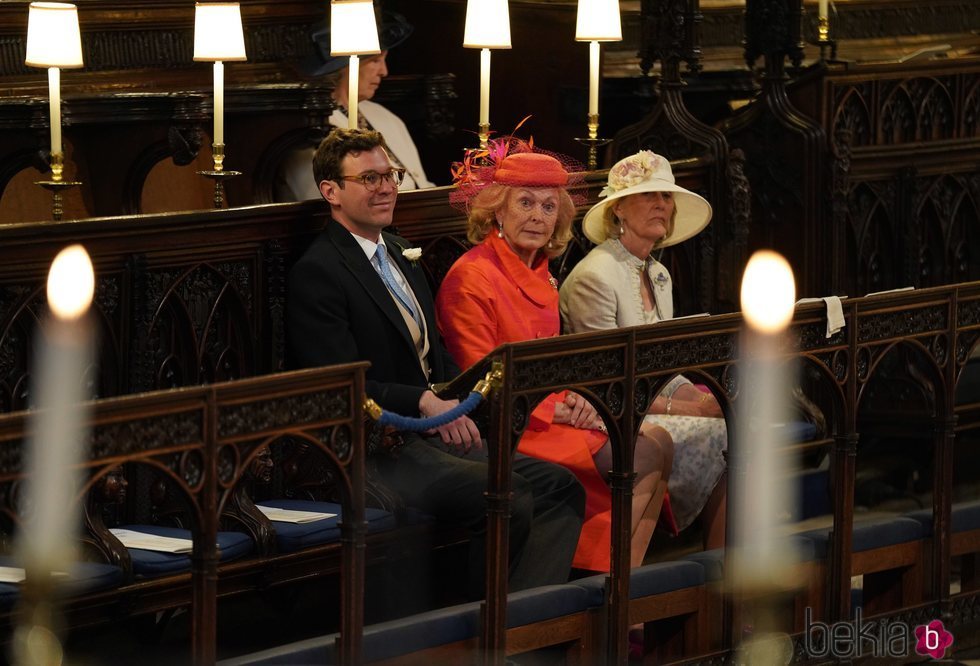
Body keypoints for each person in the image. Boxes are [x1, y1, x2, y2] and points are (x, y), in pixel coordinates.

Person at [287, 128, 585, 595]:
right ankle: (479, 636)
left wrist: (461, 403)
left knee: (560, 487)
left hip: (435, 429)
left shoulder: (401, 253)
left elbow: (437, 353)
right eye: (369, 178)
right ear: (331, 192)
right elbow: (338, 383)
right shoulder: (319, 271)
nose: (386, 188)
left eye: (390, 175)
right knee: (506, 493)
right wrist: (423, 403)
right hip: (379, 446)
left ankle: (523, 628)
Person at [435, 143, 673, 571]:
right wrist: (562, 407)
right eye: (524, 203)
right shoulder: (472, 277)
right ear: (496, 212)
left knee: (659, 441)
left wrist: (582, 395)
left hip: (546, 408)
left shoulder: (539, 272)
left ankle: (621, 587)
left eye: (548, 207)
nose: (537, 216)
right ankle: (606, 584)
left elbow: (557, 360)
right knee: (641, 451)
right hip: (510, 421)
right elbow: (483, 379)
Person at [560, 150, 728, 549]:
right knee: (721, 432)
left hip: (643, 402)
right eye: (648, 195)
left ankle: (723, 585)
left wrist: (707, 398)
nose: (661, 205)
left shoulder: (658, 272)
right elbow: (606, 381)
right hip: (605, 415)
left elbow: (665, 364)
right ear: (618, 209)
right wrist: (691, 408)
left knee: (736, 421)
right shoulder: (595, 276)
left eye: (666, 197)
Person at [277, 10, 433, 201]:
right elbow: (319, 200)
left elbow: (422, 185)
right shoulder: (311, 127)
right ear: (346, 66)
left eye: (384, 60)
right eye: (375, 61)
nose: (384, 71)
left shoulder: (383, 116)